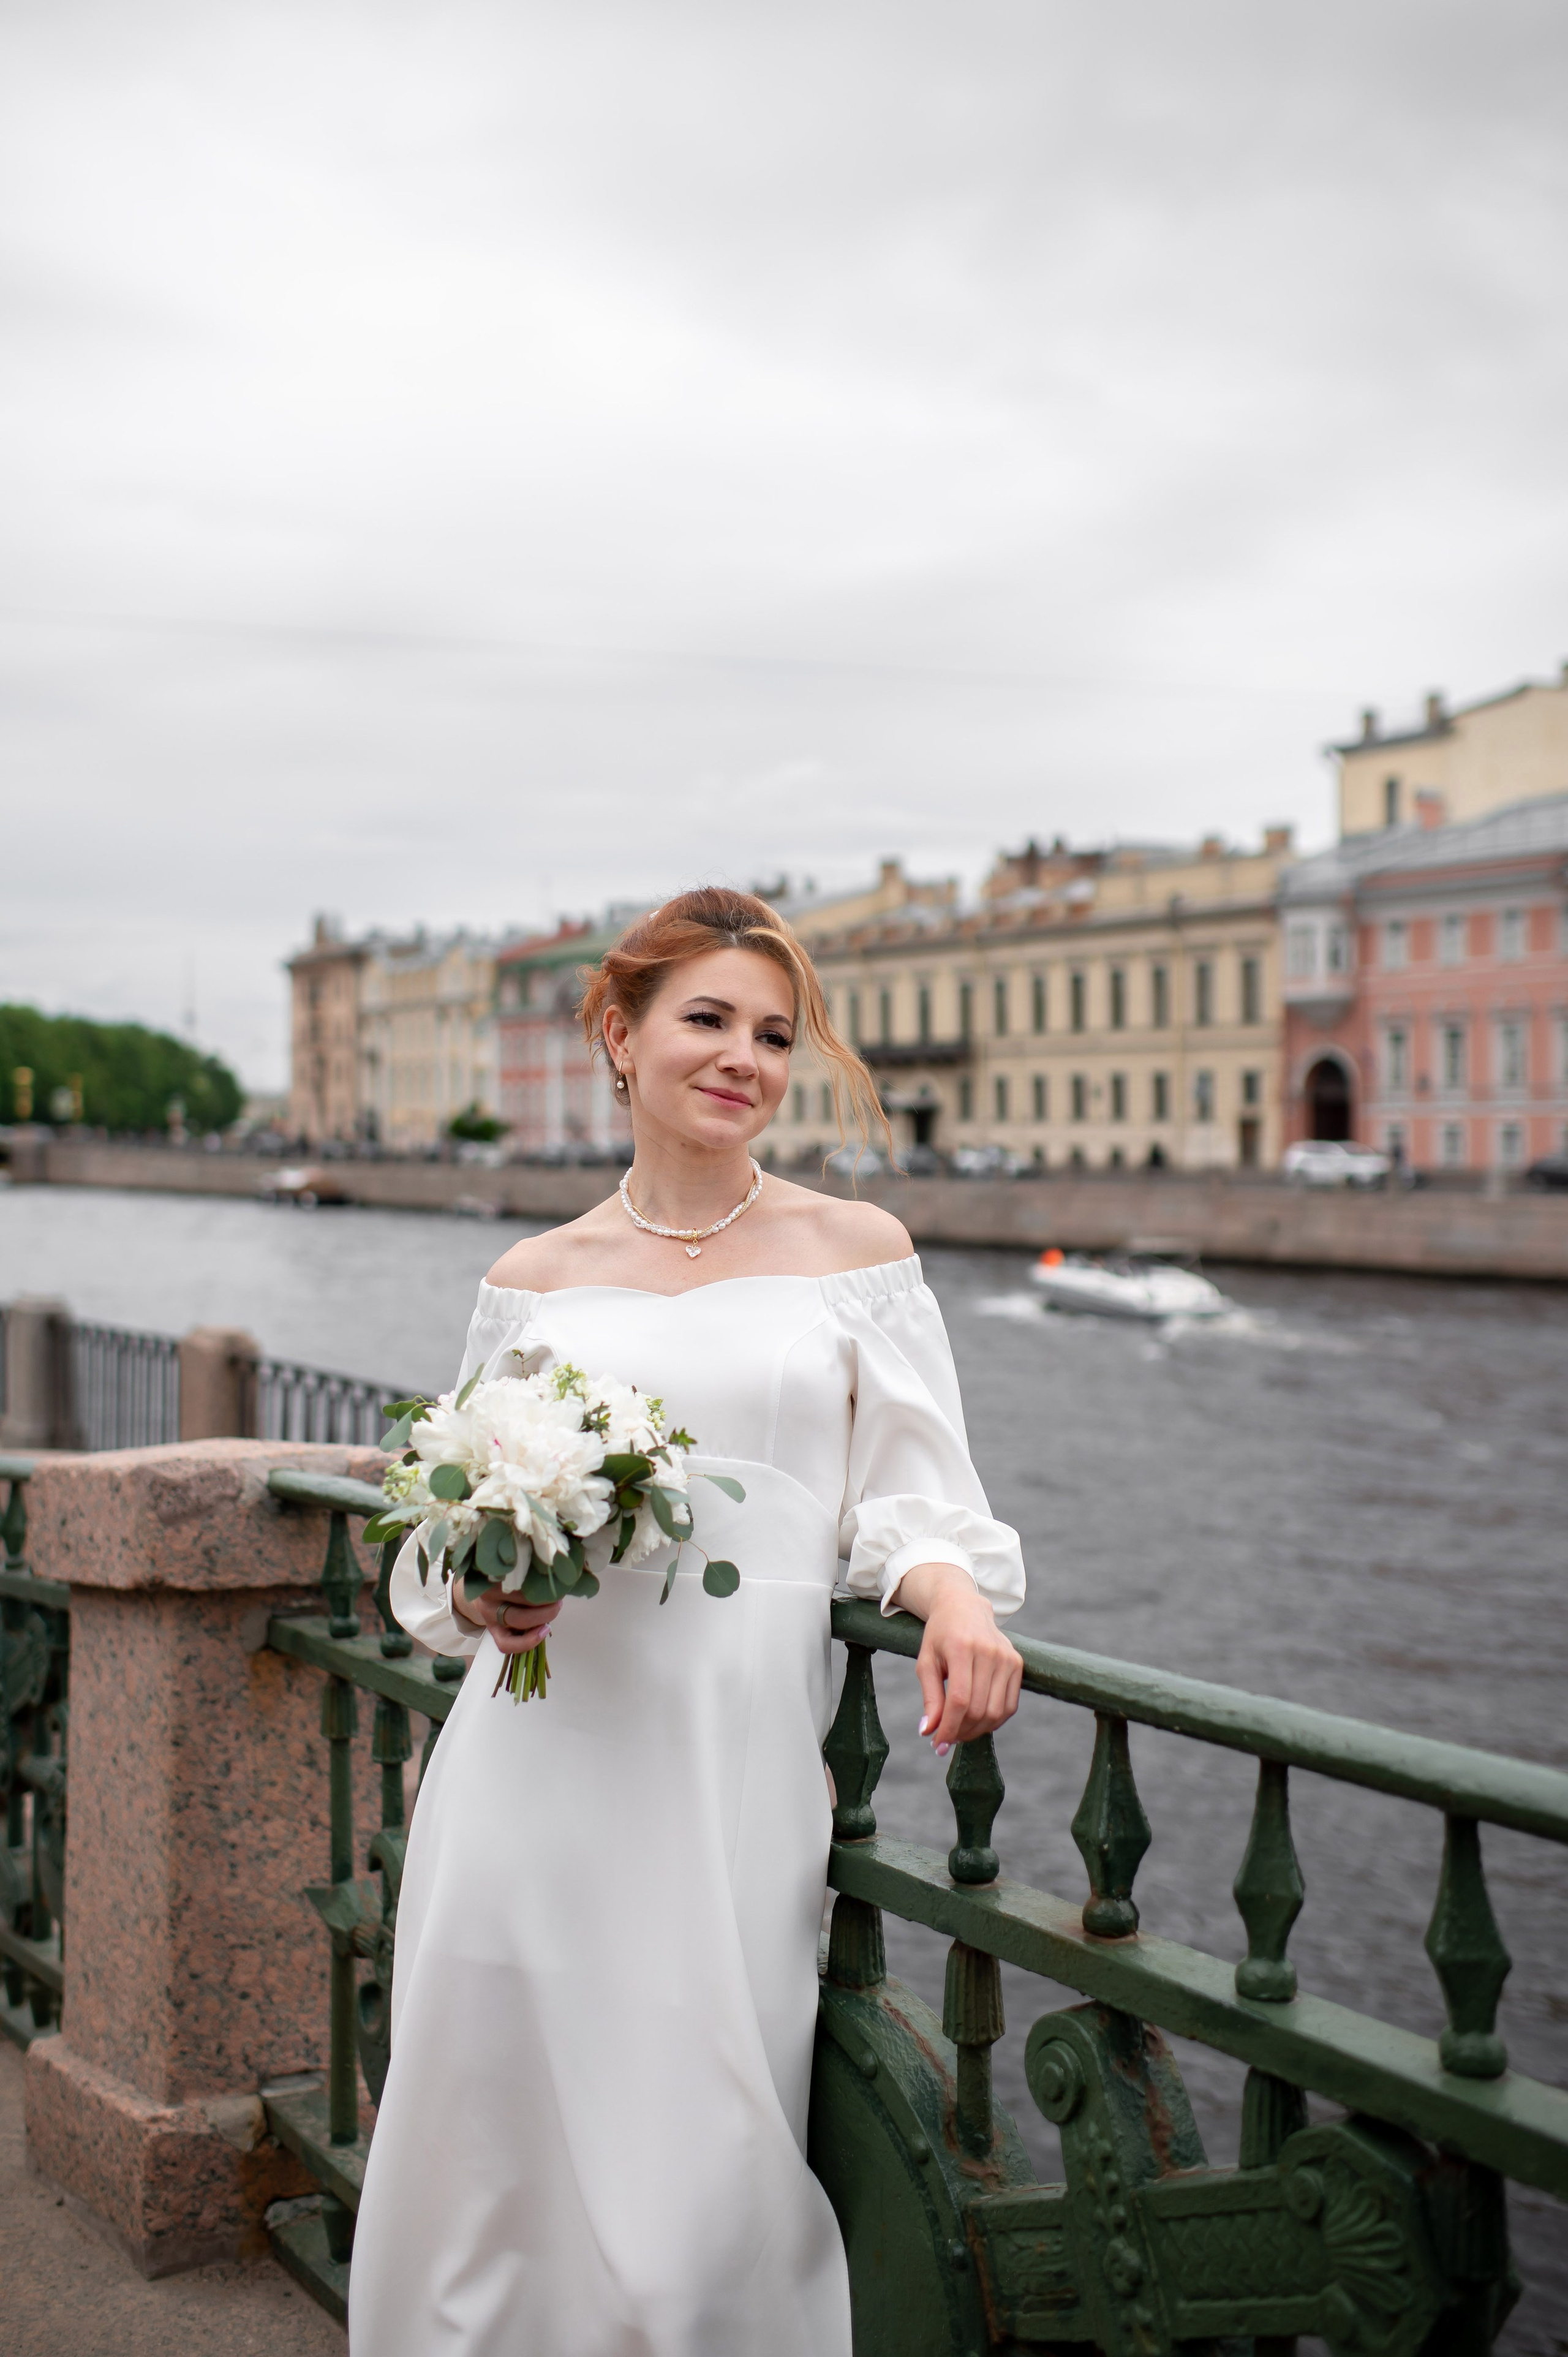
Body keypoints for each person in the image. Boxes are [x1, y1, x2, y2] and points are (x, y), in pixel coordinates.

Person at [350, 888, 1025, 2356]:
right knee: (491, 2129)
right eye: (707, 1020)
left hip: (722, 1759)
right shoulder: (536, 1277)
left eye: (774, 1034)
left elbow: (912, 1496)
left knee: (692, 2150)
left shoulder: (855, 1250)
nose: (745, 1059)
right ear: (619, 1032)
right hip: (530, 1765)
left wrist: (953, 1591)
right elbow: (436, 1525)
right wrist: (475, 1584)